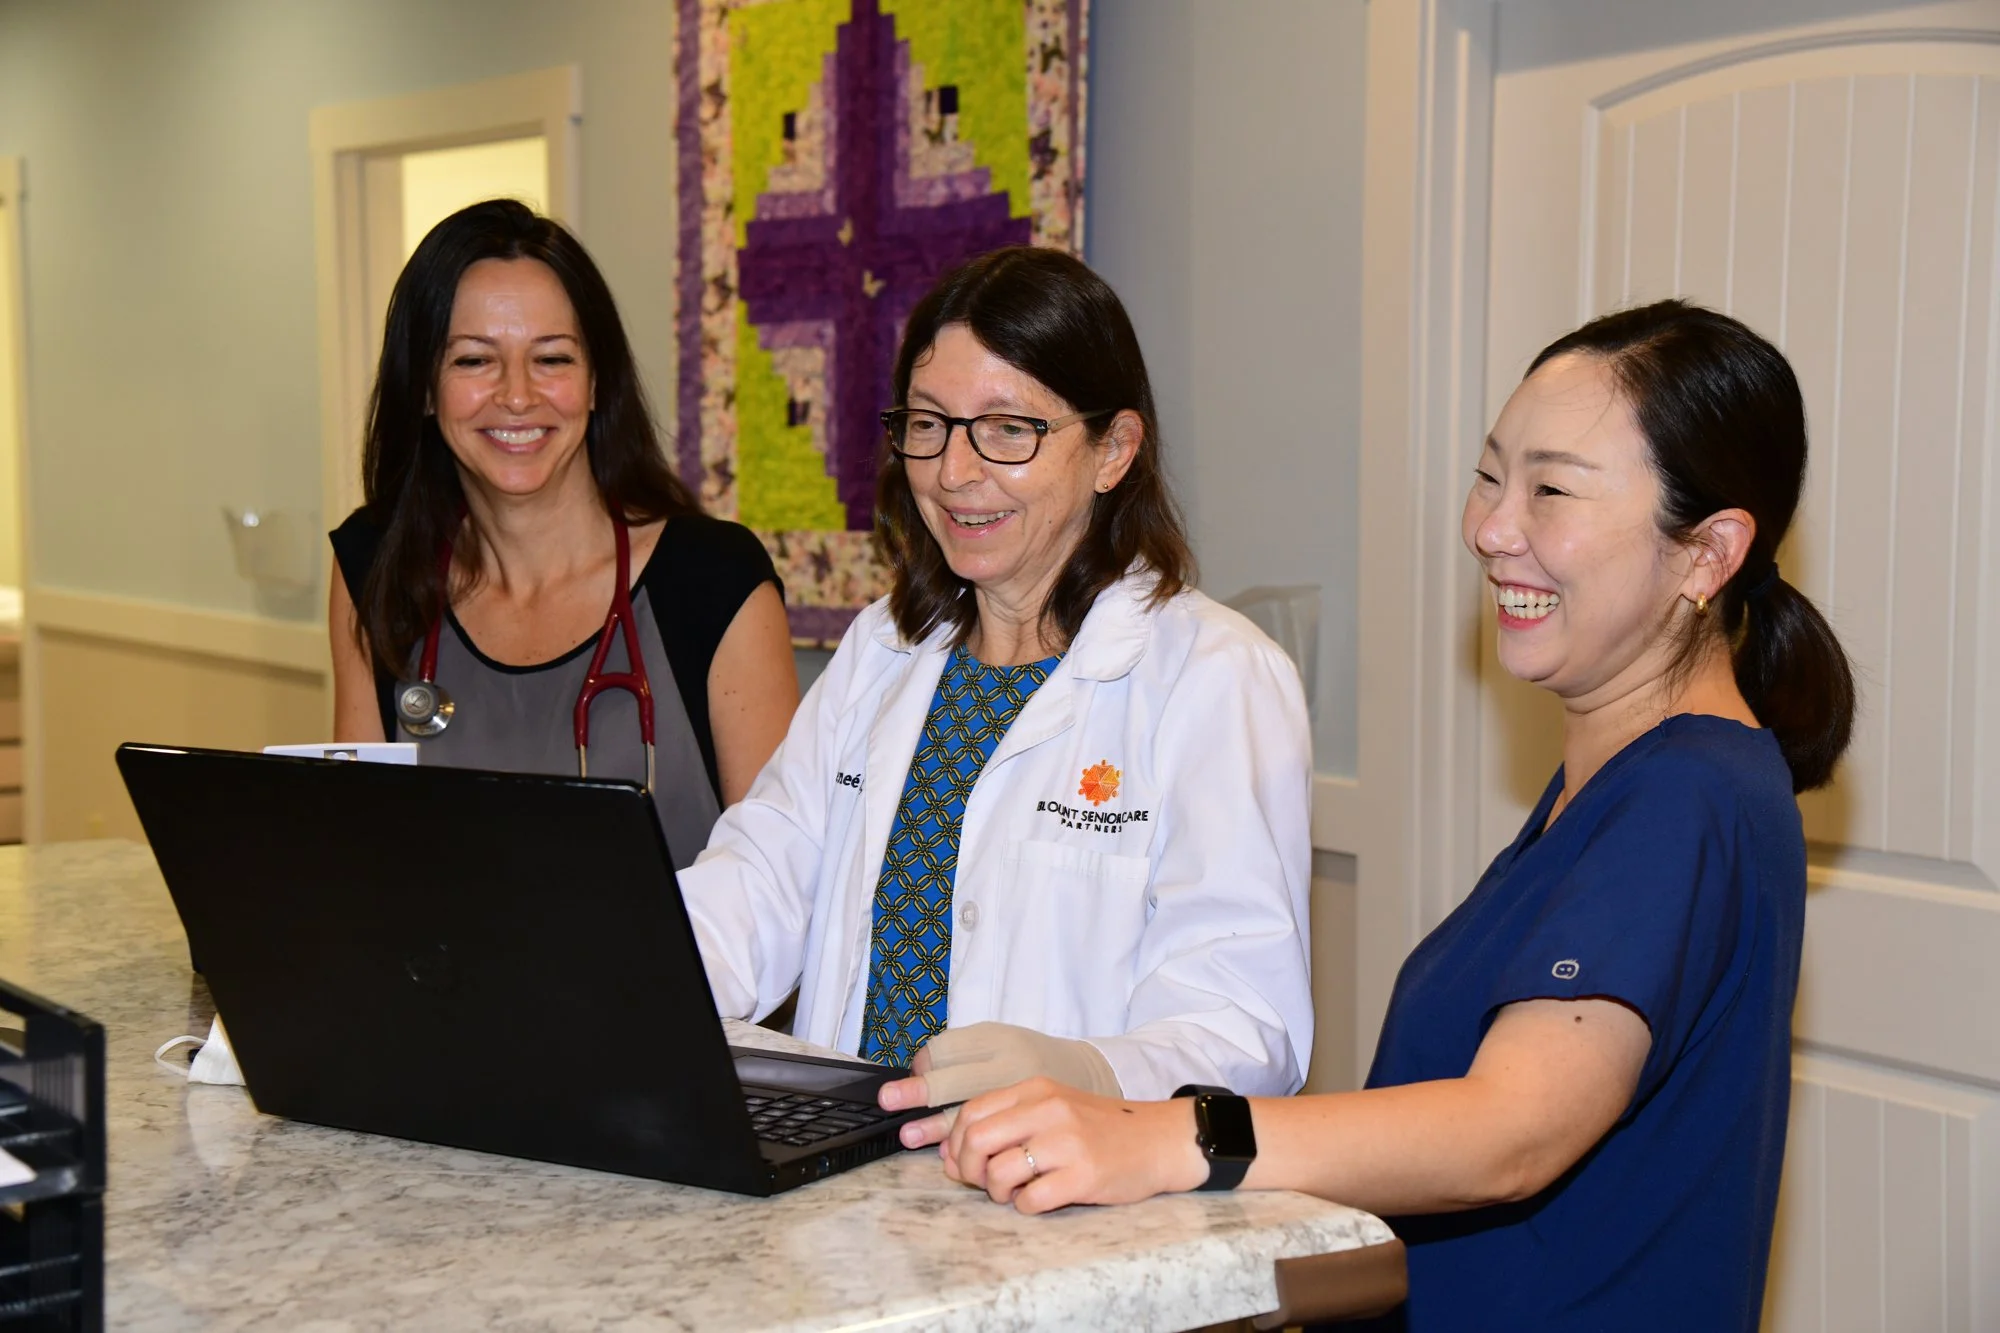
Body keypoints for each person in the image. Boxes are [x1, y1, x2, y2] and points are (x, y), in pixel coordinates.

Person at [938, 300, 1856, 1332]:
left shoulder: (1684, 795)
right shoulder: (1606, 790)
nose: (1490, 528)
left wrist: (1161, 1135)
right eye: (1489, 474)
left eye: (1550, 489)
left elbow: (1509, 1130)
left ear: (1705, 551)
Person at [676, 246, 1314, 1114]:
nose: (955, 472)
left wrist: (1088, 1072)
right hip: (855, 1187)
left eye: (1009, 429)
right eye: (930, 424)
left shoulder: (1215, 678)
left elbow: (1248, 1024)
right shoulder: (884, 648)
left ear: (1113, 449)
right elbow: (756, 885)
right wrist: (612, 970)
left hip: (1073, 1206)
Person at [329, 199, 797, 863]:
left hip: (672, 972)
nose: (517, 396)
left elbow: (782, 894)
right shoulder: (374, 566)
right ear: (425, 388)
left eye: (551, 359)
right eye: (472, 361)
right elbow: (364, 852)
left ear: (597, 379)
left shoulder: (714, 583)